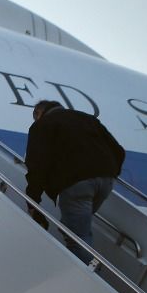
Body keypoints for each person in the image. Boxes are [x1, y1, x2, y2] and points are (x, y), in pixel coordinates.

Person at [24, 100, 126, 264]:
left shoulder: (43, 125)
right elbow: (119, 151)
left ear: (38, 113)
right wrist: (111, 173)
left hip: (76, 184)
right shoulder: (89, 119)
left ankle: (92, 279)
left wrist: (32, 202)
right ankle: (72, 232)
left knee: (77, 237)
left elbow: (37, 165)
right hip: (105, 182)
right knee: (76, 227)